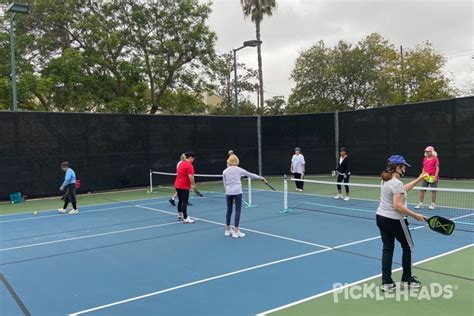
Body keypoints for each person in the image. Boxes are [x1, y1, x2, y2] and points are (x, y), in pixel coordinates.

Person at [376, 155, 427, 292]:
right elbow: (398, 205)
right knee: (408, 247)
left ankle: (386, 282)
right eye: (403, 166)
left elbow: (402, 190)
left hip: (381, 217)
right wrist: (415, 215)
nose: (404, 169)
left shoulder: (386, 179)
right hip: (395, 220)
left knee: (387, 248)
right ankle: (407, 279)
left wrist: (418, 179)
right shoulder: (396, 183)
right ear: (397, 167)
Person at [223, 154, 265, 238]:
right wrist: (260, 177)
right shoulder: (239, 170)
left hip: (228, 192)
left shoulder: (225, 171)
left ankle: (227, 230)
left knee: (229, 209)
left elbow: (224, 184)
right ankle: (235, 231)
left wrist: (227, 191)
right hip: (237, 192)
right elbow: (250, 174)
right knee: (237, 210)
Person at [174, 152, 197, 223]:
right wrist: (193, 185)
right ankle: (185, 218)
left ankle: (180, 215)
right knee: (184, 201)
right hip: (183, 186)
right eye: (193, 158)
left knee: (180, 200)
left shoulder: (181, 163)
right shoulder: (189, 165)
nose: (193, 160)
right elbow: (190, 176)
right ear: (190, 157)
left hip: (177, 185)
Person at [415, 146, 440, 210]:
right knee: (422, 190)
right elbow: (424, 167)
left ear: (432, 152)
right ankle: (420, 203)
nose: (426, 152)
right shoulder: (425, 158)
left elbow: (437, 168)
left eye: (428, 151)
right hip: (426, 177)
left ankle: (433, 204)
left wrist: (435, 177)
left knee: (433, 191)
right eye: (426, 151)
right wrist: (423, 175)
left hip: (433, 177)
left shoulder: (435, 158)